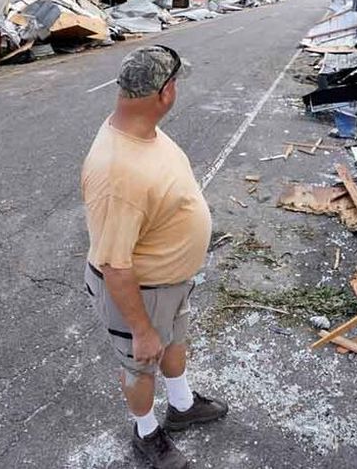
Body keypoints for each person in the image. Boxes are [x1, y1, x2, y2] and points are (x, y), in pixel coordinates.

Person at [82, 45, 227, 469]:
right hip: (139, 292)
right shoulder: (117, 172)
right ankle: (146, 434)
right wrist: (141, 329)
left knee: (175, 343)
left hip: (171, 282)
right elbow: (114, 265)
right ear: (164, 92)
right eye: (176, 83)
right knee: (142, 364)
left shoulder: (141, 129)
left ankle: (181, 406)